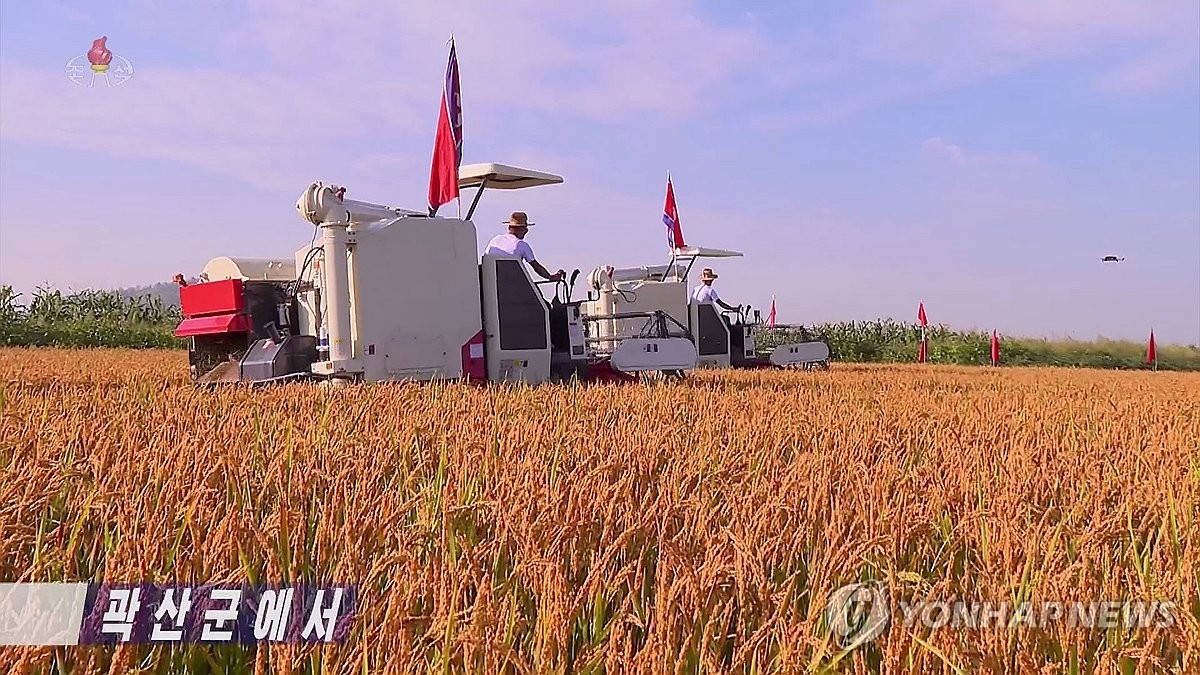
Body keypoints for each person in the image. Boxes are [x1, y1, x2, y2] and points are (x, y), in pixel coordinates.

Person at [484, 211, 563, 282]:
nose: (526, 231)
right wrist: (550, 277)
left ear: (509, 228)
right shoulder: (521, 244)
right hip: (510, 282)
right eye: (524, 228)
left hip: (491, 280)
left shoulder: (495, 239)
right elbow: (536, 266)